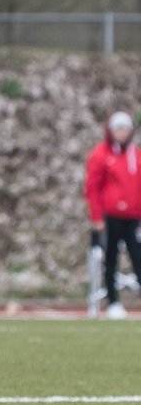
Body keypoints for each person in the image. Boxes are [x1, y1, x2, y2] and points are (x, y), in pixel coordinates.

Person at [85, 110, 141, 320]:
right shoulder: (101, 154)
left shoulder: (135, 155)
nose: (122, 133)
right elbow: (92, 188)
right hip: (110, 217)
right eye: (118, 128)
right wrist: (97, 218)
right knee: (110, 259)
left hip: (134, 217)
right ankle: (113, 302)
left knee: (138, 258)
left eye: (125, 128)